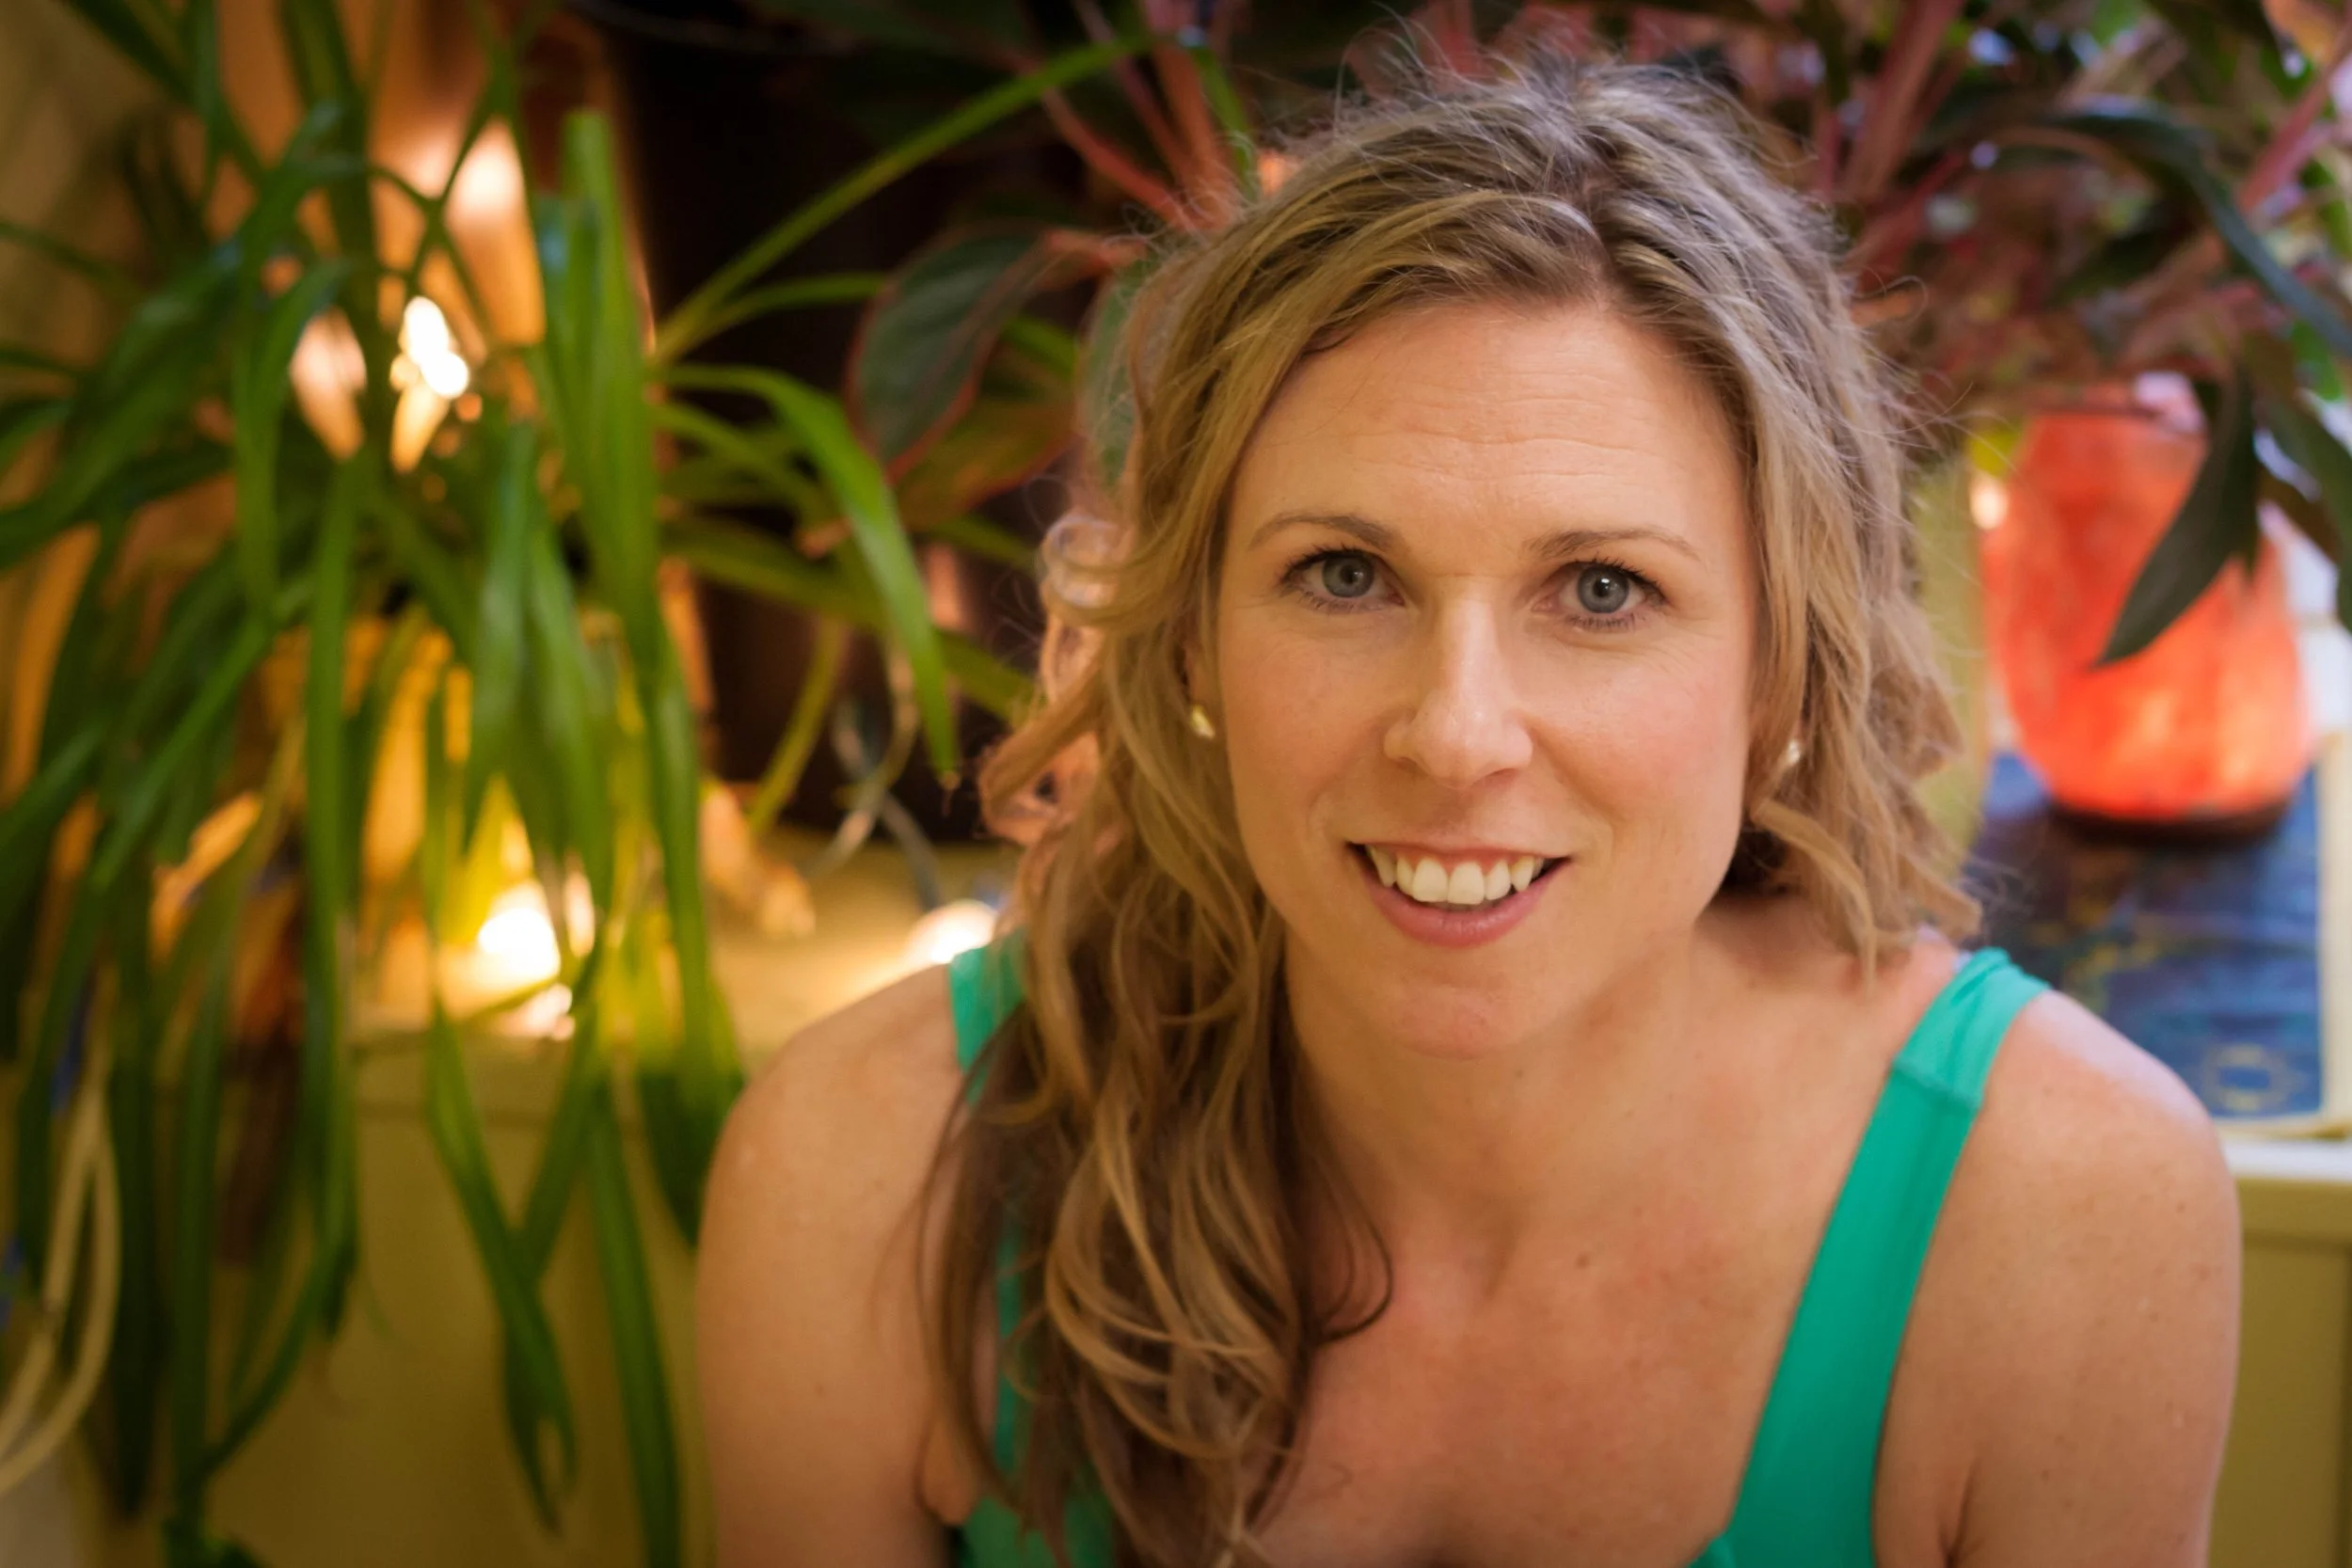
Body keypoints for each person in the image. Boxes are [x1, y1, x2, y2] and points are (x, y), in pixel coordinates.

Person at [696, 54, 2241, 1568]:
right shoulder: (867, 1175)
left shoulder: (2063, 1218)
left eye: (1601, 589)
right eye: (1345, 576)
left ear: (1782, 673)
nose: (1456, 733)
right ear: (1194, 636)